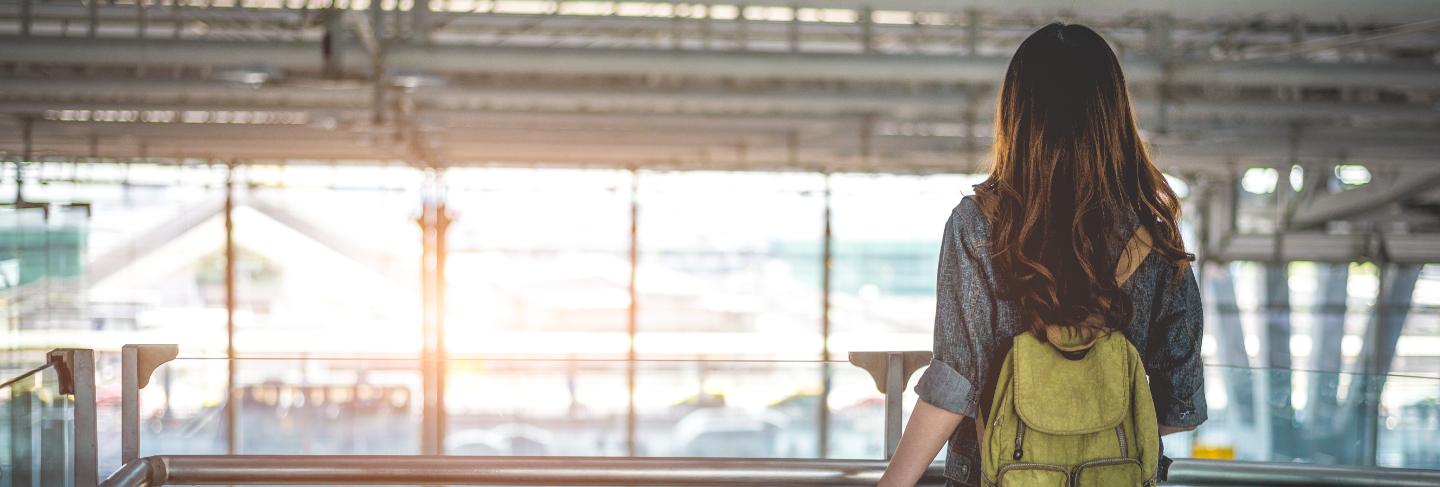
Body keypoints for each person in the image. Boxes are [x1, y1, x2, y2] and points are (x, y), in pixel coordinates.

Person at [878, 23, 1207, 486]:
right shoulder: (1152, 238)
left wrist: (893, 483)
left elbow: (956, 382)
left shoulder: (978, 225)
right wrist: (1090, 426)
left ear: (1016, 114)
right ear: (1113, 113)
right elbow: (1182, 405)